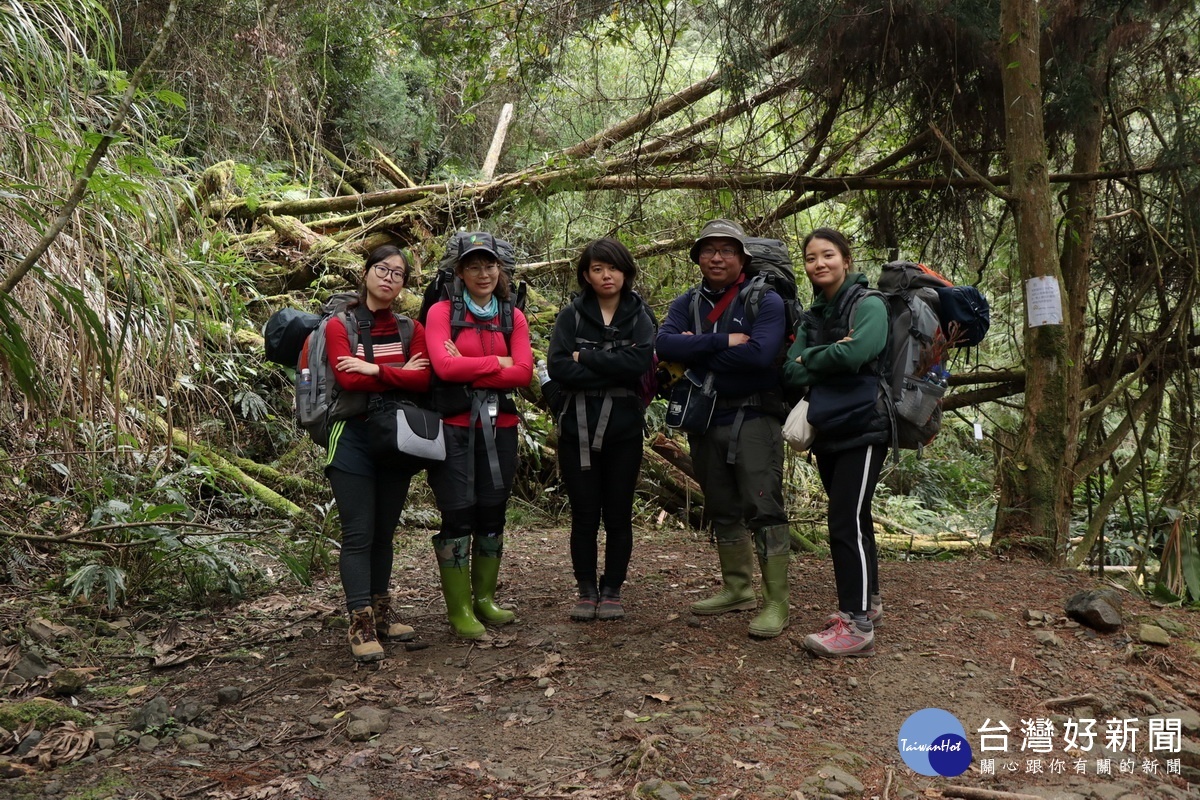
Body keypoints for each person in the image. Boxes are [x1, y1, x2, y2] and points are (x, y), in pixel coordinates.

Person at [655, 219, 792, 639]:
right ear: (697, 257)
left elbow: (759, 355)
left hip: (754, 417)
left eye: (727, 250)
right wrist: (722, 342)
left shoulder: (765, 301)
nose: (717, 257)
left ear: (742, 258)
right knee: (721, 504)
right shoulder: (687, 302)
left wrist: (695, 348)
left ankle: (776, 602)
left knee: (763, 506)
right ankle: (737, 588)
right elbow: (663, 345)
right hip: (705, 419)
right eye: (708, 249)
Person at [782, 227, 888, 657]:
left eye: (828, 255)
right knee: (855, 518)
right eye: (810, 258)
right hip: (829, 426)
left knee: (844, 519)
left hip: (864, 427)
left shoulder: (870, 304)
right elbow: (791, 371)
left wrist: (814, 357)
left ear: (846, 259)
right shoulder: (814, 314)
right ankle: (870, 604)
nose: (819, 264)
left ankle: (857, 625)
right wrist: (821, 356)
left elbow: (859, 352)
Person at [324, 245, 432, 662]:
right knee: (359, 532)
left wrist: (372, 370)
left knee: (385, 531)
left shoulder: (410, 328)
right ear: (366, 273)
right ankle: (360, 622)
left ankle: (382, 612)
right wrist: (399, 374)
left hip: (396, 438)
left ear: (404, 285)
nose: (389, 278)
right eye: (382, 270)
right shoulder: (341, 324)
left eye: (398, 274)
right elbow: (347, 381)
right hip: (351, 436)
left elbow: (425, 383)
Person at [425, 233, 534, 638]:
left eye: (489, 265)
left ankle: (485, 598)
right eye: (474, 266)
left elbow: (523, 373)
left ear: (499, 269)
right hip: (453, 427)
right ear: (460, 272)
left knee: (493, 509)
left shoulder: (512, 315)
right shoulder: (441, 312)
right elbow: (443, 368)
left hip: (500, 425)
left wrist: (469, 361)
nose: (483, 273)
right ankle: (460, 610)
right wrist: (499, 360)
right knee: (457, 511)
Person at [547, 238, 655, 621]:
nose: (606, 275)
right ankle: (586, 589)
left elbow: (639, 363)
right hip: (577, 428)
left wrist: (587, 357)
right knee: (584, 513)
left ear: (625, 272)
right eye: (597, 269)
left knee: (619, 513)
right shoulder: (571, 317)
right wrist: (611, 362)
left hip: (624, 430)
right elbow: (559, 366)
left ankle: (612, 589)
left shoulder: (639, 315)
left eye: (612, 268)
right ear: (586, 275)